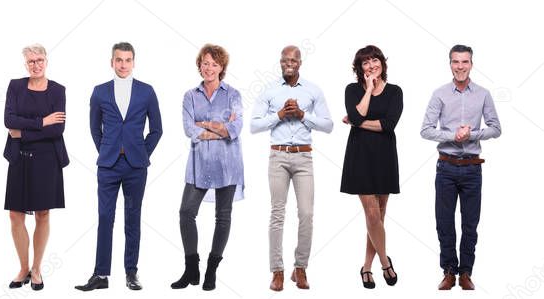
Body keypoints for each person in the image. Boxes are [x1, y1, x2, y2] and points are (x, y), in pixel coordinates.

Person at [76, 42, 163, 292]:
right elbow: (94, 128)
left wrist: (142, 153)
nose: (123, 64)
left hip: (136, 166)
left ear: (134, 62)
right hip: (108, 165)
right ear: (111, 62)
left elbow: (157, 129)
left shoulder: (146, 91)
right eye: (119, 60)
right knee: (105, 217)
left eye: (127, 60)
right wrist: (106, 150)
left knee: (132, 218)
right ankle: (101, 275)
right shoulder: (100, 91)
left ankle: (131, 272)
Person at [250, 45, 333, 291]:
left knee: (306, 213)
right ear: (280, 62)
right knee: (277, 214)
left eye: (293, 60)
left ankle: (300, 268)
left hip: (303, 158)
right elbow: (254, 126)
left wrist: (301, 114)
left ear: (300, 62)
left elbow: (328, 125)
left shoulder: (312, 90)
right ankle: (277, 271)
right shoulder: (269, 90)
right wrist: (279, 114)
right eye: (285, 60)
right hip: (278, 156)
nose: (289, 63)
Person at [421, 44, 501, 291]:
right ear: (450, 64)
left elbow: (496, 128)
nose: (460, 66)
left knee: (470, 224)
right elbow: (425, 130)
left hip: (472, 170)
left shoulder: (484, 94)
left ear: (471, 64)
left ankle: (466, 272)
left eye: (465, 62)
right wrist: (452, 136)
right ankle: (448, 271)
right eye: (456, 62)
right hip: (445, 168)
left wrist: (472, 134)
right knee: (444, 222)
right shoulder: (440, 94)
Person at [169, 43, 244, 292]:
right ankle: (192, 267)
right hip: (199, 164)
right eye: (205, 63)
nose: (208, 68)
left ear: (221, 67)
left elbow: (235, 129)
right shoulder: (190, 96)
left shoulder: (233, 95)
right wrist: (218, 127)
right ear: (199, 65)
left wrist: (206, 125)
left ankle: (212, 269)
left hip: (227, 165)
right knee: (185, 213)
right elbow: (189, 129)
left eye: (213, 63)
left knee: (223, 217)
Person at [4, 44, 68, 291]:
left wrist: (23, 132)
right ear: (25, 64)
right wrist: (42, 122)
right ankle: (23, 268)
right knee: (15, 214)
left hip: (47, 160)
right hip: (19, 157)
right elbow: (9, 121)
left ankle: (38, 268)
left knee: (43, 213)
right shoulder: (15, 86)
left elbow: (58, 129)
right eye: (31, 61)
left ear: (46, 61)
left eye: (39, 60)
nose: (35, 65)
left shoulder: (58, 91)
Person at [340, 45, 402, 289]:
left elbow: (388, 125)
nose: (371, 66)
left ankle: (366, 267)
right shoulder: (352, 90)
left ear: (382, 63)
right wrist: (367, 91)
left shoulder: (395, 91)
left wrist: (356, 121)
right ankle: (386, 262)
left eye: (374, 60)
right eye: (365, 63)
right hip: (360, 157)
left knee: (379, 216)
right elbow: (357, 117)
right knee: (372, 214)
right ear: (360, 68)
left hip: (385, 157)